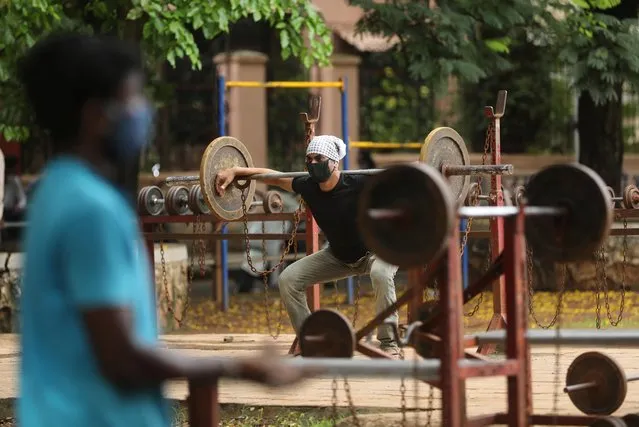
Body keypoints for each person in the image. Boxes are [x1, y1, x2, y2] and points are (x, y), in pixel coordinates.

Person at [17, 32, 311, 427]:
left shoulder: (54, 189)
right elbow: (121, 357)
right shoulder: (92, 210)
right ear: (94, 116)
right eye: (131, 99)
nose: (143, 111)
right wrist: (239, 367)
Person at [215, 135, 401, 358]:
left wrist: (427, 170)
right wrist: (236, 171)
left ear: (334, 162)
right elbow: (273, 177)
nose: (313, 163)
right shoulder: (308, 186)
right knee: (289, 280)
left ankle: (390, 344)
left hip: (377, 252)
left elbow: (401, 181)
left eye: (319, 158)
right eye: (309, 159)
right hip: (339, 257)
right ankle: (309, 340)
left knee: (381, 274)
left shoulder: (360, 182)